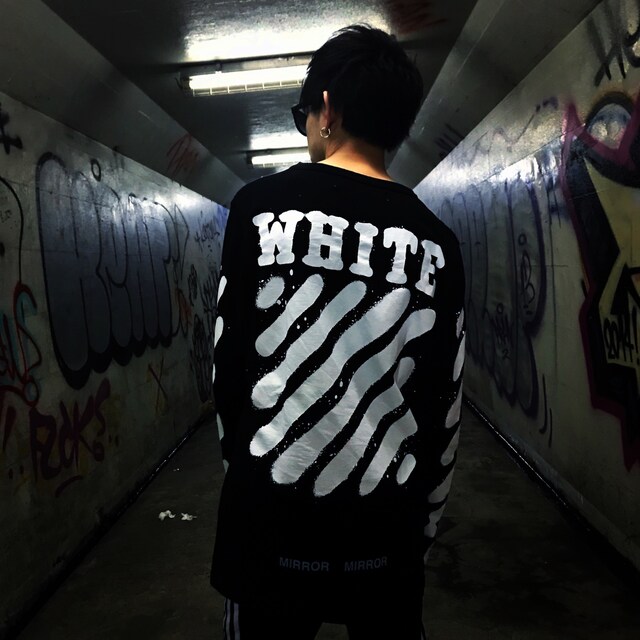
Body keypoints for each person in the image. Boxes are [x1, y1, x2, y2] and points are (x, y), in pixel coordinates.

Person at [210, 24, 465, 640]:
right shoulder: (437, 243)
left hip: (270, 522)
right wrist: (422, 530)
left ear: (327, 108)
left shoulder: (256, 210)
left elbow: (227, 372)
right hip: (386, 528)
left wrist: (244, 483)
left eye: (304, 113)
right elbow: (443, 406)